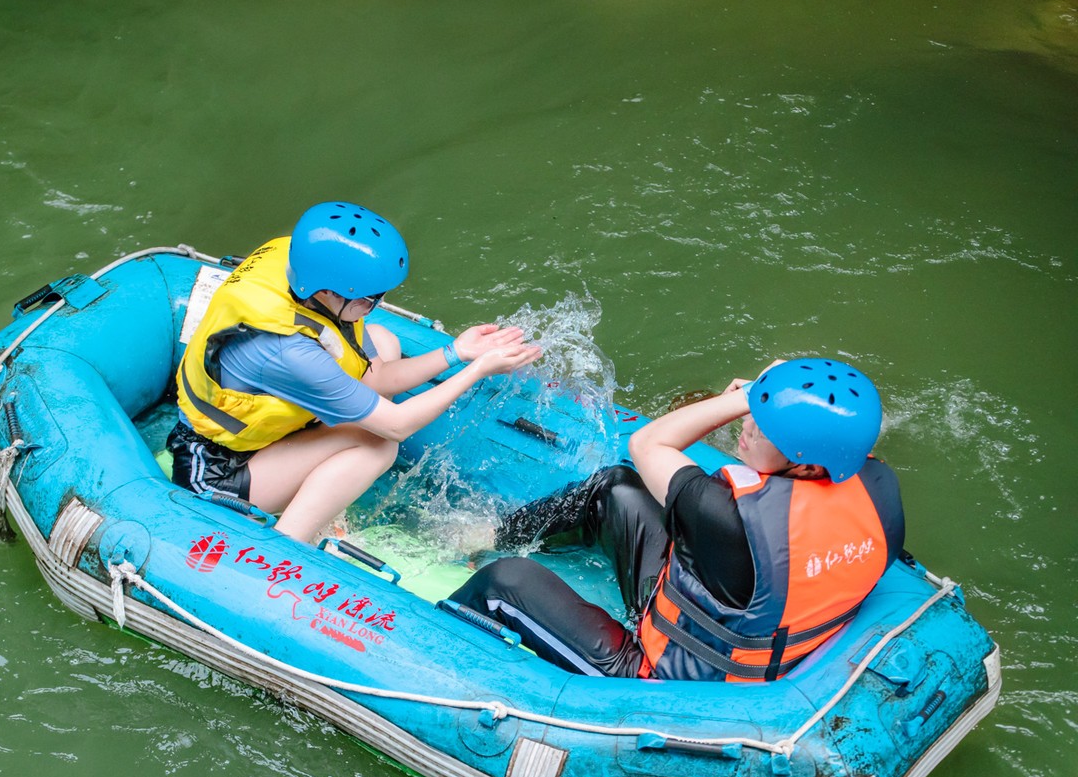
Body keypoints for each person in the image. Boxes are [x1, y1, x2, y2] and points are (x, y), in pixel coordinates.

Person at [448, 358, 906, 681]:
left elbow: (648, 443)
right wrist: (780, 393)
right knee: (614, 488)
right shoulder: (880, 485)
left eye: (763, 426)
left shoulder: (726, 519)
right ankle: (490, 534)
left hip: (666, 677)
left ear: (806, 467)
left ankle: (436, 639)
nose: (748, 425)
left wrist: (742, 397)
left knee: (503, 581)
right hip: (728, 616)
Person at [172, 201, 542, 543]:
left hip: (261, 439)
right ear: (328, 292)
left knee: (383, 340)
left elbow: (376, 379)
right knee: (379, 444)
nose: (375, 304)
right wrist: (477, 370)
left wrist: (456, 352)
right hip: (217, 472)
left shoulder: (302, 266)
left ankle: (322, 497)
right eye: (367, 298)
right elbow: (396, 424)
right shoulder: (289, 351)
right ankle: (286, 545)